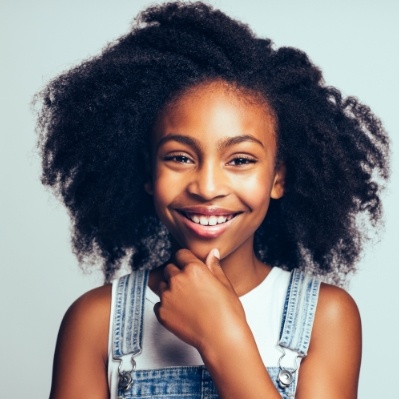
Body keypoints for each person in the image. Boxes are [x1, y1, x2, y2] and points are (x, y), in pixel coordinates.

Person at [35, 2, 390, 398]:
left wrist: (222, 336)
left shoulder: (325, 317)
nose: (206, 187)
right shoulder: (96, 322)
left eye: (240, 160)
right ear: (149, 173)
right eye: (179, 157)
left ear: (279, 177)